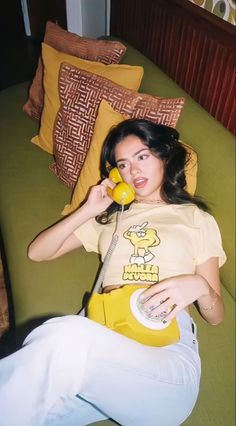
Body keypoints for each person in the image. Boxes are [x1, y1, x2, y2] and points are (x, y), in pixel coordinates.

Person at [0, 119, 226, 426]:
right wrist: (89, 209)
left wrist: (200, 286)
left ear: (164, 156)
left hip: (167, 360)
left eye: (142, 157)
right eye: (123, 164)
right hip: (103, 339)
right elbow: (38, 252)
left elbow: (215, 316)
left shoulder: (195, 218)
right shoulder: (111, 219)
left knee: (62, 335)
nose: (133, 171)